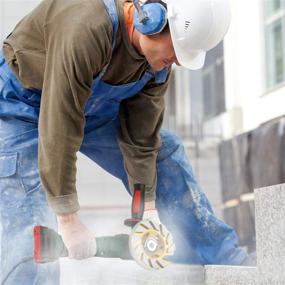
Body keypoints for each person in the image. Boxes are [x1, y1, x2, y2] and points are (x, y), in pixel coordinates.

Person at [0, 0, 249, 284]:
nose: (179, 61)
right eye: (177, 50)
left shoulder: (156, 66)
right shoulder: (86, 26)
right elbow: (60, 125)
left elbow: (141, 141)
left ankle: (230, 263)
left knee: (164, 153)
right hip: (24, 106)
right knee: (32, 229)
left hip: (91, 109)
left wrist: (148, 209)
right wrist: (67, 219)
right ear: (153, 20)